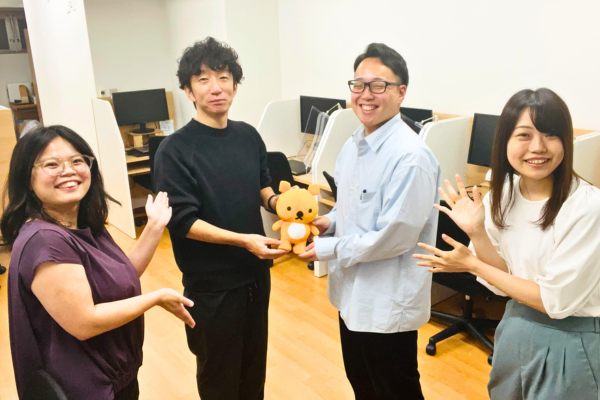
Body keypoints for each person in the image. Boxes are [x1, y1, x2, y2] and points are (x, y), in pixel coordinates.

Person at [414, 88, 600, 400]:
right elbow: (501, 284)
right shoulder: (502, 195)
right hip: (515, 323)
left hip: (571, 338)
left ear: (566, 141)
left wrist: (472, 264)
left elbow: (553, 302)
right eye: (524, 135)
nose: (538, 147)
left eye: (551, 134)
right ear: (505, 142)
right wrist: (478, 233)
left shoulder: (587, 206)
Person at [1, 125, 195, 400]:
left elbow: (119, 279)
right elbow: (85, 322)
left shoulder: (83, 223)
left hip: (116, 377)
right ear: (27, 176)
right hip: (86, 389)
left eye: (77, 160)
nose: (68, 170)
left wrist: (154, 226)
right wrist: (156, 297)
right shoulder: (45, 240)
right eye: (52, 164)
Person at [299, 43, 440, 400]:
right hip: (352, 296)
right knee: (362, 384)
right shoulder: (354, 143)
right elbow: (349, 208)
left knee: (395, 390)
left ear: (400, 93)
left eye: (378, 85)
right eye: (359, 84)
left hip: (386, 303)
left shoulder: (411, 157)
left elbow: (393, 237)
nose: (366, 94)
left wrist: (328, 248)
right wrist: (328, 223)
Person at [153, 37, 288, 400]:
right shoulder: (174, 150)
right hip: (212, 287)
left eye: (224, 77)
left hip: (256, 277)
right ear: (188, 91)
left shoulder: (249, 136)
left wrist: (281, 204)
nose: (216, 88)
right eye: (203, 79)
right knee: (219, 380)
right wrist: (243, 240)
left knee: (253, 373)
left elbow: (261, 186)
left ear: (235, 85)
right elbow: (183, 221)